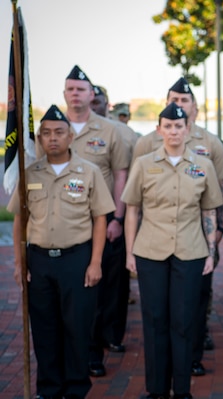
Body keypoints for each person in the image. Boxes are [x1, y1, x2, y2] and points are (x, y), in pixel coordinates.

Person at [10, 105, 115, 398]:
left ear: (70, 136)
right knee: (44, 328)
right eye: (46, 133)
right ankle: (49, 388)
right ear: (40, 139)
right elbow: (20, 219)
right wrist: (21, 264)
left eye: (58, 132)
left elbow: (100, 218)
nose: (52, 138)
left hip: (77, 260)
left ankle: (76, 388)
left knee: (77, 328)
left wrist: (95, 263)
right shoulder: (29, 173)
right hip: (40, 261)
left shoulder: (89, 172)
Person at [122, 102, 223, 399]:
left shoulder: (202, 165)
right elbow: (132, 211)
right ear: (159, 130)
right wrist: (129, 252)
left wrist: (210, 252)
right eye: (168, 126)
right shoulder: (144, 163)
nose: (173, 131)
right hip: (151, 251)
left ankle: (181, 391)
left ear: (187, 129)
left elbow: (209, 214)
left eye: (178, 126)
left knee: (184, 321)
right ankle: (156, 390)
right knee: (154, 321)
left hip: (190, 252)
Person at [35, 66, 131, 377]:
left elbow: (120, 174)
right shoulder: (53, 128)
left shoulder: (109, 129)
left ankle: (92, 353)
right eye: (70, 89)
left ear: (92, 94)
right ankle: (62, 363)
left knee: (97, 295)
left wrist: (117, 217)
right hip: (60, 225)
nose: (75, 94)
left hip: (100, 221)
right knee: (58, 305)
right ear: (64, 94)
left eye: (81, 89)